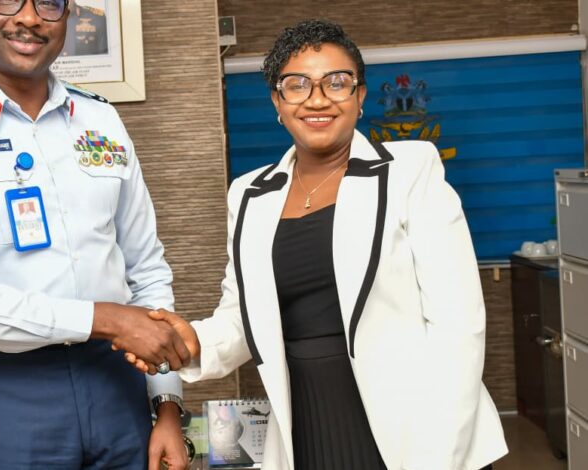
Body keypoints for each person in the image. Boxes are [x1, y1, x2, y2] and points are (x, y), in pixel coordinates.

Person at [136, 19, 509, 470]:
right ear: (277, 101)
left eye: (336, 82)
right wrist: (193, 341)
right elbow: (243, 316)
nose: (317, 99)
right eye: (297, 85)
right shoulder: (250, 194)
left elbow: (458, 326)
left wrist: (438, 457)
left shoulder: (410, 171)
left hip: (417, 429)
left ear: (360, 96)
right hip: (307, 421)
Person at [0, 0, 190, 468]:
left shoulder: (100, 118)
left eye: (48, 3)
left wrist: (167, 403)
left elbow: (147, 269)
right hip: (5, 394)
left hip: (118, 385)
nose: (29, 18)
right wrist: (105, 319)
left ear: (67, 14)